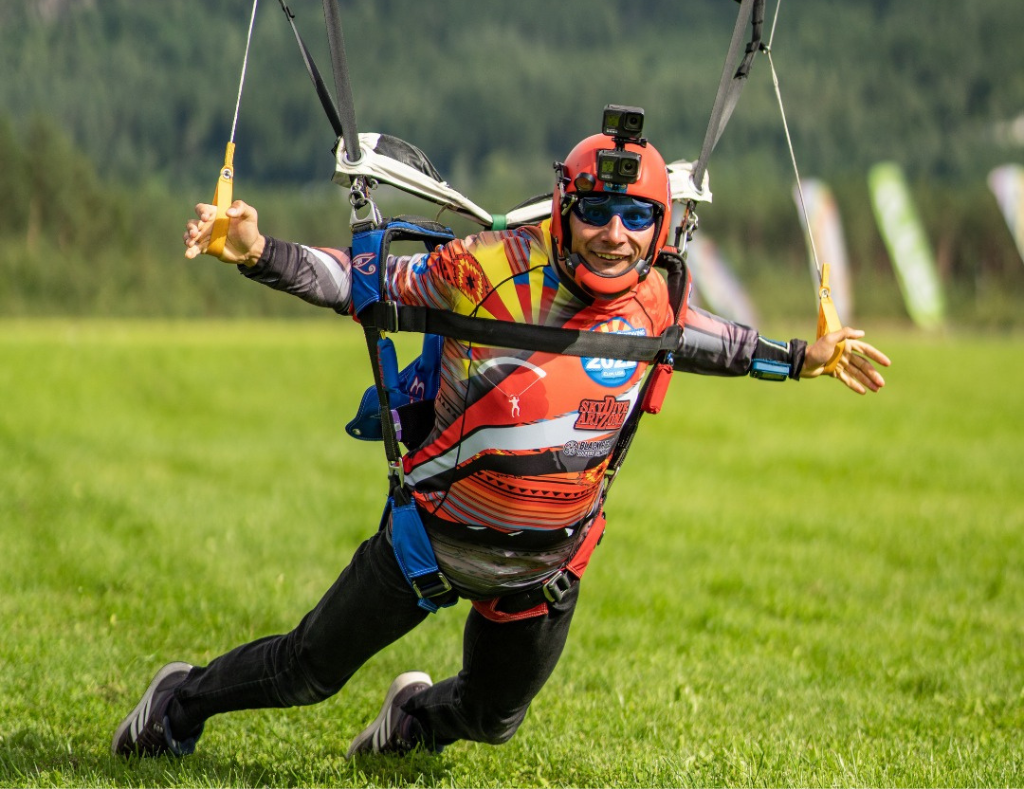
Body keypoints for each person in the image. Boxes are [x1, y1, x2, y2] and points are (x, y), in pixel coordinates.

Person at [112, 124, 890, 759]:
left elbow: (725, 344)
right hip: (428, 542)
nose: (614, 235)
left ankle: (413, 721)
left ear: (660, 226)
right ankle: (177, 704)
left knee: (492, 720)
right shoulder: (484, 270)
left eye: (636, 217)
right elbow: (362, 282)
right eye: (596, 211)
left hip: (542, 568)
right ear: (564, 208)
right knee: (306, 672)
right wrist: (257, 253)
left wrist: (803, 358)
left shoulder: (657, 305)